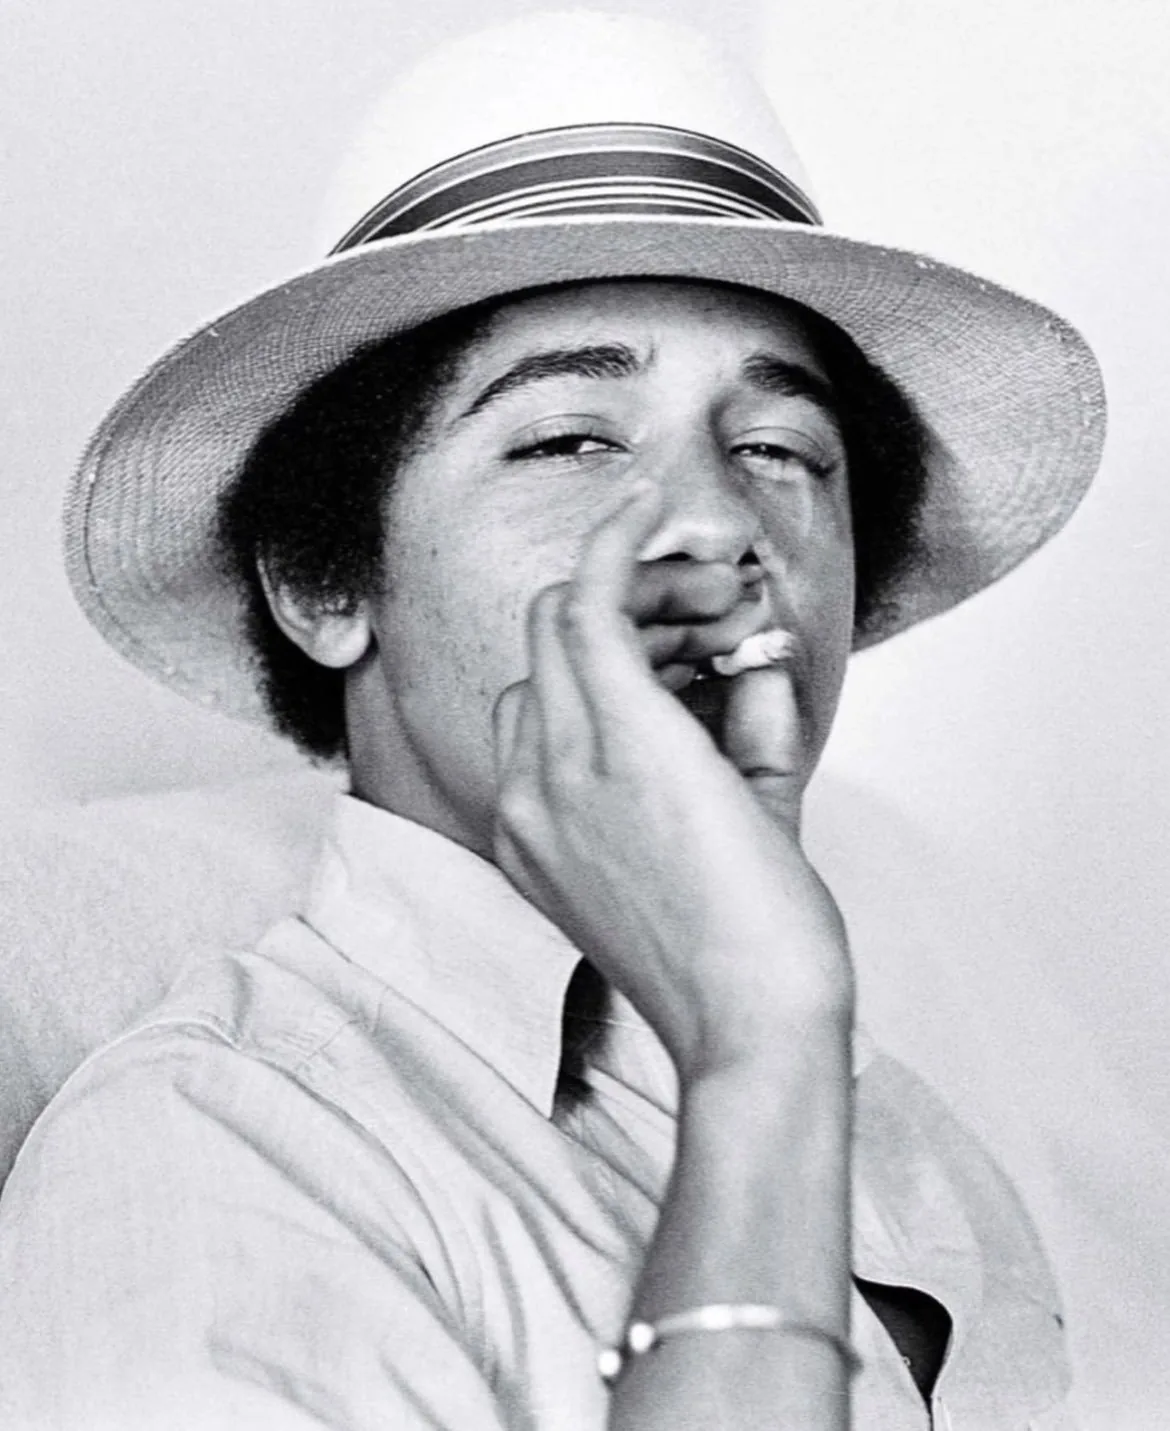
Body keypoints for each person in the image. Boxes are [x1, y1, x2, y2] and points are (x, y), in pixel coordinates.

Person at [0, 12, 1104, 1430]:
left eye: (780, 451)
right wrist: (757, 1048)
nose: (714, 525)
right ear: (322, 581)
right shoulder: (209, 1155)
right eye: (571, 439)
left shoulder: (915, 1142)